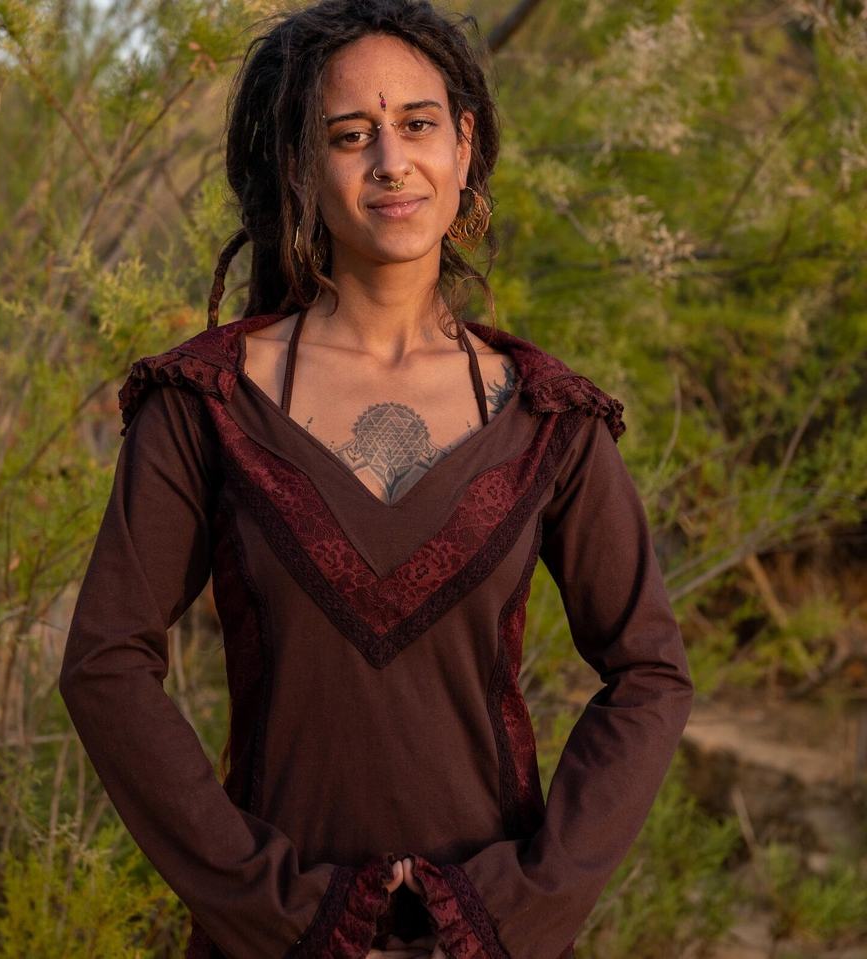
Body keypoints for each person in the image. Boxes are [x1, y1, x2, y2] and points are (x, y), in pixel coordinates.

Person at [58, 1, 695, 957]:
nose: (392, 161)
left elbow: (650, 671)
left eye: (418, 125)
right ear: (300, 163)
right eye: (350, 135)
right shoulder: (206, 404)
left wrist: (515, 906)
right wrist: (274, 907)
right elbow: (105, 663)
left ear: (463, 145)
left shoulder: (547, 416)